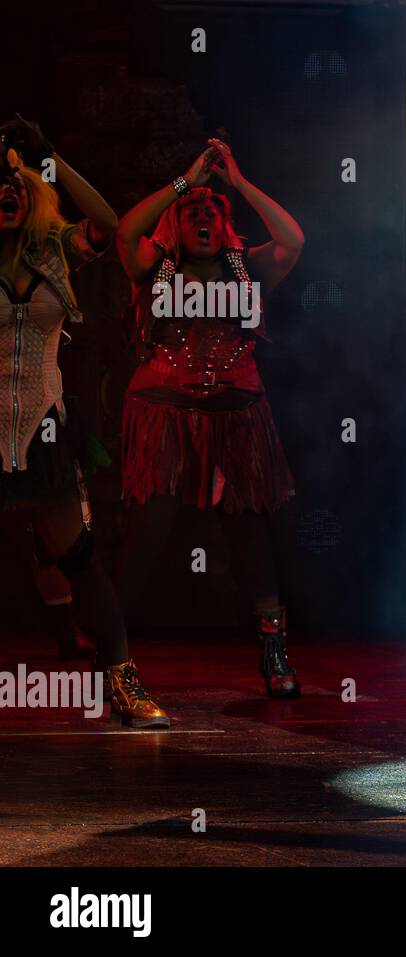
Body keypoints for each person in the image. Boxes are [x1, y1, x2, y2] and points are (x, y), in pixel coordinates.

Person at [114, 139, 305, 698]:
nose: (203, 216)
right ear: (174, 223)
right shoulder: (154, 264)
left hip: (236, 411)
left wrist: (237, 185)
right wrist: (185, 181)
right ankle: (113, 652)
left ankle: (273, 651)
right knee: (150, 529)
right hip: (165, 408)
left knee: (250, 531)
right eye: (191, 212)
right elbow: (126, 232)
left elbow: (293, 239)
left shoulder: (247, 266)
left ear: (226, 226)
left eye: (212, 212)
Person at [0, 114, 168, 726]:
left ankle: (122, 684)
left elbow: (109, 225)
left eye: (16, 185)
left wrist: (48, 160)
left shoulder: (53, 248)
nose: (7, 194)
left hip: (42, 423)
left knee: (79, 560)